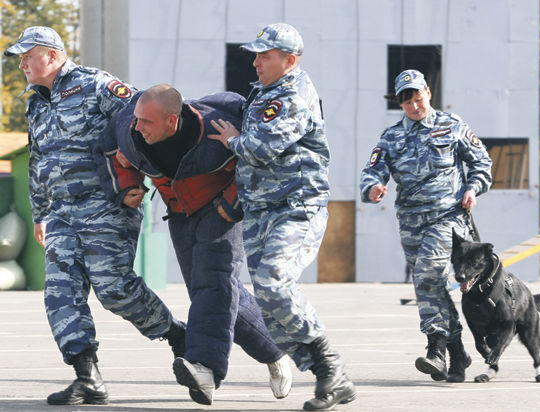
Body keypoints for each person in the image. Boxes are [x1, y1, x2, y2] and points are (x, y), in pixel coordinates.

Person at [3, 26, 188, 406]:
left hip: (107, 206)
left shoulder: (96, 85)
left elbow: (142, 120)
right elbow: (38, 159)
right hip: (60, 215)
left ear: (52, 55)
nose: (21, 62)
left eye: (27, 54)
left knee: (113, 288)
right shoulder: (34, 100)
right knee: (60, 292)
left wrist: (135, 173)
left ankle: (177, 336)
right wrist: (40, 212)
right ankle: (87, 377)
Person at [94, 84, 292, 405]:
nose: (137, 126)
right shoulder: (130, 128)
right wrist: (126, 186)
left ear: (172, 121)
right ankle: (275, 349)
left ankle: (204, 367)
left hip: (223, 206)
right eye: (137, 119)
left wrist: (232, 205)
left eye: (147, 122)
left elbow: (261, 164)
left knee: (212, 282)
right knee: (213, 291)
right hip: (181, 211)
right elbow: (109, 151)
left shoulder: (219, 129)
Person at [208, 22, 356, 411]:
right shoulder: (264, 93)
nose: (255, 62)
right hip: (261, 210)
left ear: (289, 60)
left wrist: (231, 141)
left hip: (295, 208)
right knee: (271, 302)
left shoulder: (291, 94)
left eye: (265, 55)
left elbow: (261, 148)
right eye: (255, 54)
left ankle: (331, 366)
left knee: (274, 282)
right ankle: (328, 374)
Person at [359, 69, 493, 382]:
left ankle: (436, 348)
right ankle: (457, 352)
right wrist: (374, 188)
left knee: (427, 274)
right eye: (407, 101)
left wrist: (473, 188)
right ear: (400, 103)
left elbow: (482, 163)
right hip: (410, 220)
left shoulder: (452, 125)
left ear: (428, 93)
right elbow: (372, 170)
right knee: (429, 286)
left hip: (448, 216)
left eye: (417, 97)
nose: (414, 105)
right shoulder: (391, 136)